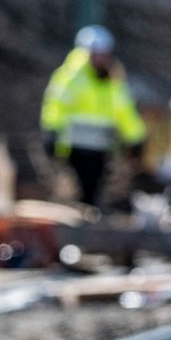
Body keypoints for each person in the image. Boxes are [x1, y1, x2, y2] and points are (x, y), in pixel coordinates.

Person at [40, 25, 146, 209]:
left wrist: (135, 137)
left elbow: (124, 111)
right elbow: (55, 104)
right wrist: (51, 131)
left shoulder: (112, 81)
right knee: (75, 193)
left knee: (95, 194)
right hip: (73, 148)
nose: (100, 59)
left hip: (100, 149)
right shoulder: (71, 77)